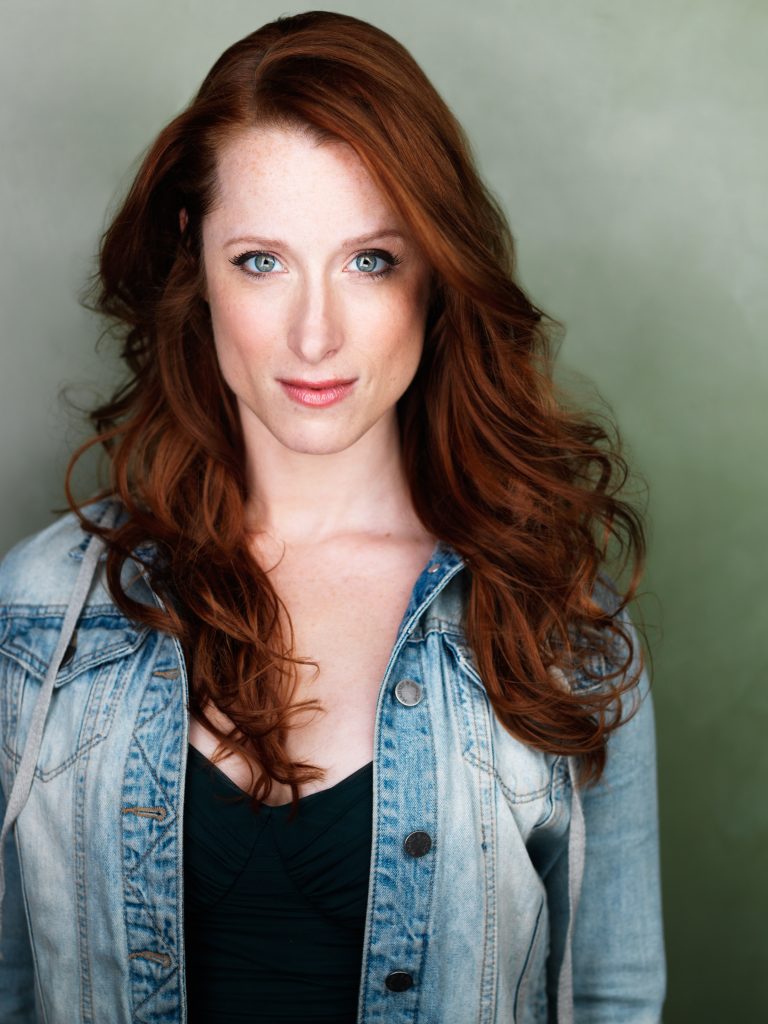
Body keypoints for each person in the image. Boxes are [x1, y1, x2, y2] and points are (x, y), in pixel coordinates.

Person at [0, 10, 665, 1024]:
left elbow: (610, 993)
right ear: (195, 259)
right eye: (262, 261)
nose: (316, 335)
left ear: (436, 272)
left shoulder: (561, 627)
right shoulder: (38, 610)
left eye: (371, 260)